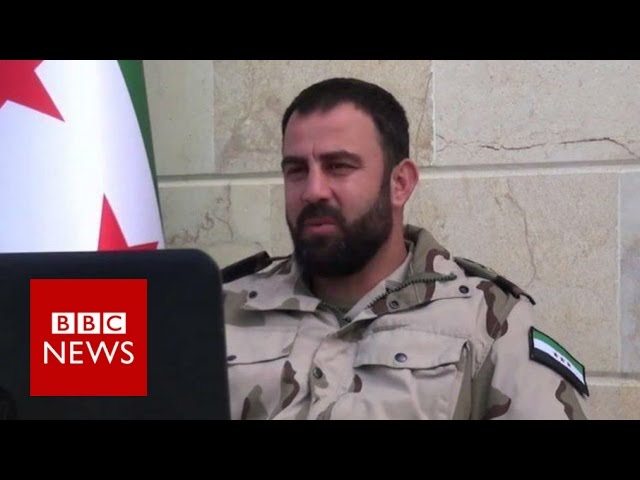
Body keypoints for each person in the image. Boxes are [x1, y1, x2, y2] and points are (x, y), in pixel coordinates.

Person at [222, 77, 590, 420]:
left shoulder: (489, 322)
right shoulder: (221, 310)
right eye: (296, 170)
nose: (313, 190)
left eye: (338, 166)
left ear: (400, 183)